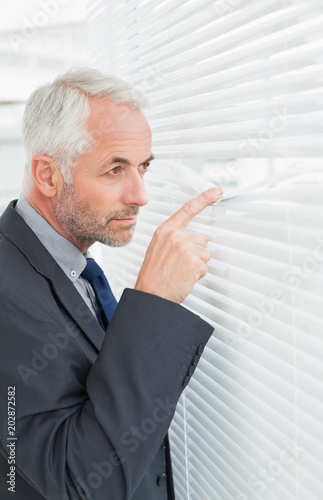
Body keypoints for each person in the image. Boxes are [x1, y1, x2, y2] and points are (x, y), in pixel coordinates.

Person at [0, 67, 223, 500]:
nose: (140, 195)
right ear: (48, 175)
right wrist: (155, 301)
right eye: (115, 170)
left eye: (143, 167)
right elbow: (76, 482)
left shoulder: (74, 263)